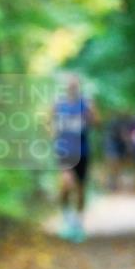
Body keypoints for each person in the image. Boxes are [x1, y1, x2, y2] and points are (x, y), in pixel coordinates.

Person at [52, 73, 96, 242]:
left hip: (82, 151)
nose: (71, 87)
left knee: (81, 188)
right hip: (64, 151)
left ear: (78, 86)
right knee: (66, 184)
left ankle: (78, 223)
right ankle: (66, 218)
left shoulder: (85, 104)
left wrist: (91, 111)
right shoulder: (58, 103)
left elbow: (96, 122)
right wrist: (55, 135)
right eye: (69, 84)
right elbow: (48, 122)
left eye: (74, 84)